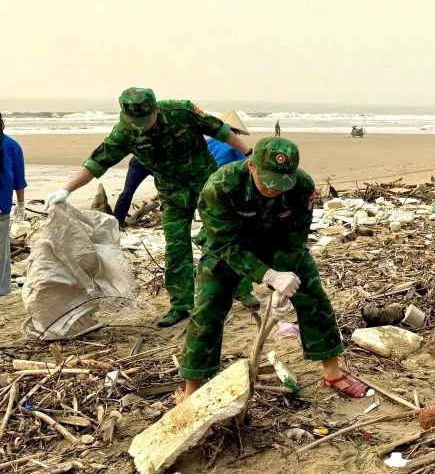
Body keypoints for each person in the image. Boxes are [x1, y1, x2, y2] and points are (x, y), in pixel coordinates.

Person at [177, 137, 368, 402]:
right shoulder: (220, 186)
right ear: (252, 166)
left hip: (277, 244)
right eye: (268, 181)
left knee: (314, 296)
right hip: (228, 248)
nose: (274, 189)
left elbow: (295, 237)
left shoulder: (302, 185)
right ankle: (192, 389)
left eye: (281, 183)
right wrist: (268, 275)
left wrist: (284, 280)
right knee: (208, 307)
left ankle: (333, 373)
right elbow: (223, 242)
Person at [44, 89, 252, 327]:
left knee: (224, 235)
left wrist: (249, 154)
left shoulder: (181, 111)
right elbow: (97, 161)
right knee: (176, 249)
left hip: (206, 183)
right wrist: (66, 189)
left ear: (156, 109)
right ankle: (181, 306)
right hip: (172, 193)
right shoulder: (125, 132)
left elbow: (221, 130)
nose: (140, 127)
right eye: (134, 121)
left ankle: (242, 289)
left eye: (145, 120)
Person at [114, 110, 250, 225]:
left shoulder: (208, 141)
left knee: (130, 192)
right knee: (183, 193)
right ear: (236, 131)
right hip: (208, 176)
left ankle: (117, 222)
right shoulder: (235, 146)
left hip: (143, 162)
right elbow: (246, 166)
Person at [1, 112, 27, 297]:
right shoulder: (12, 145)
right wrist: (21, 203)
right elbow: (18, 179)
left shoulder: (10, 145)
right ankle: (2, 289)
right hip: (1, 206)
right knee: (2, 251)